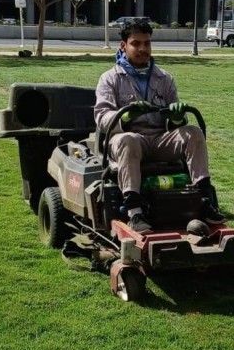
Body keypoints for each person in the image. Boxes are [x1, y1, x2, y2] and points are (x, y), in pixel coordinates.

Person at [94, 17, 224, 233]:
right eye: (136, 43)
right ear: (123, 46)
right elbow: (102, 117)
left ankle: (204, 199)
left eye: (147, 43)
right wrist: (126, 116)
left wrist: (176, 118)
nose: (143, 48)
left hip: (159, 139)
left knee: (193, 133)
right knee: (129, 140)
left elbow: (176, 122)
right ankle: (134, 212)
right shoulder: (110, 79)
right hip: (129, 140)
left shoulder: (164, 78)